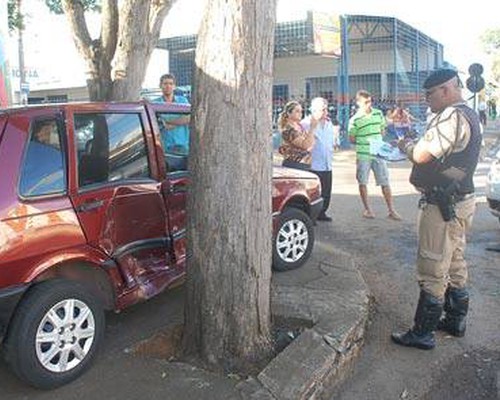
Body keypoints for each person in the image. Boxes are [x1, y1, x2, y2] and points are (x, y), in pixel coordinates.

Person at [392, 68, 481, 350]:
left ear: (446, 89)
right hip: (460, 200)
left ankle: (422, 333)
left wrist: (404, 144)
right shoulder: (469, 114)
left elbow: (421, 153)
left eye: (429, 94)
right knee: (455, 261)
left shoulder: (452, 116)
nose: (426, 99)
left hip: (443, 205)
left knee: (432, 266)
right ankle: (455, 320)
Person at [348, 90, 401, 220]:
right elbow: (352, 138)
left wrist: (377, 142)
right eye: (366, 102)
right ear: (358, 103)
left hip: (378, 154)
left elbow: (382, 131)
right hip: (363, 155)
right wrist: (365, 142)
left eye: (370, 101)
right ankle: (367, 209)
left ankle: (391, 210)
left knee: (385, 181)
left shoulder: (378, 114)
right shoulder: (354, 120)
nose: (369, 104)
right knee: (362, 182)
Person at [301, 97, 335, 221]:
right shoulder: (306, 123)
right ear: (314, 110)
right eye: (323, 109)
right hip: (314, 164)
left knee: (326, 190)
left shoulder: (328, 123)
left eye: (326, 109)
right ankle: (312, 215)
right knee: (314, 192)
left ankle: (322, 213)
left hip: (327, 162)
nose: (326, 112)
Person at [153, 73, 190, 154]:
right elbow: (154, 123)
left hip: (183, 145)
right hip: (164, 147)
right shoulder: (155, 103)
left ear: (174, 86)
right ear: (160, 85)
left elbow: (188, 118)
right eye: (165, 83)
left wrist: (167, 122)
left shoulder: (183, 101)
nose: (168, 86)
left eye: (171, 84)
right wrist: (179, 122)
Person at [278, 100, 316, 170]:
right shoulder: (288, 130)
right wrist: (312, 128)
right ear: (289, 113)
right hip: (294, 164)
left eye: (301, 111)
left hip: (304, 164)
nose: (300, 113)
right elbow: (305, 145)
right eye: (297, 111)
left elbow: (311, 143)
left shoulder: (300, 126)